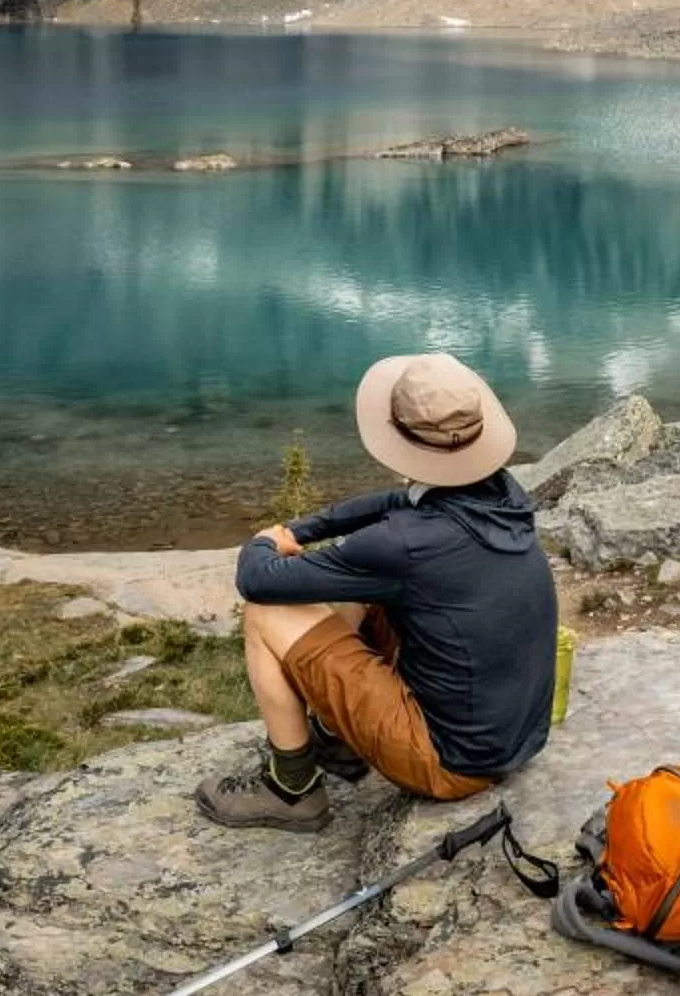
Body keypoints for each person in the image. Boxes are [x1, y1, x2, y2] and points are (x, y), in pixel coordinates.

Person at [198, 350, 558, 834]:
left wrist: (265, 540)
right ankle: (336, 737)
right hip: (516, 738)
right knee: (364, 589)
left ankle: (291, 790)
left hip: (451, 764)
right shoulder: (502, 494)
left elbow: (258, 580)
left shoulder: (404, 545)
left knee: (266, 613)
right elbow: (395, 502)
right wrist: (307, 527)